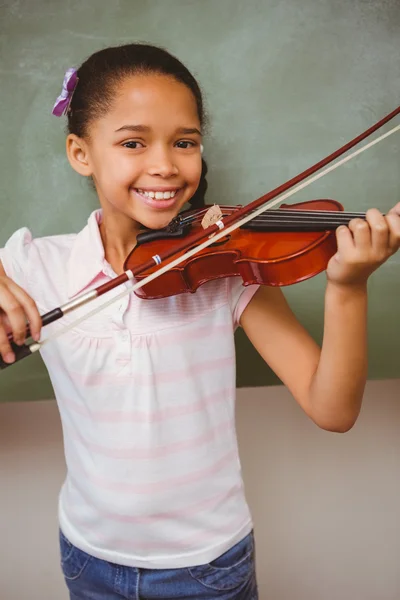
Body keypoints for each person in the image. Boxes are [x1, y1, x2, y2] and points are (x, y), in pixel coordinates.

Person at [0, 43, 399, 600]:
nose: (165, 164)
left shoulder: (228, 269)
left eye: (184, 142)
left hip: (207, 566)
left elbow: (333, 409)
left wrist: (348, 284)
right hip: (88, 554)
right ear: (80, 152)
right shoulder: (36, 265)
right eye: (133, 142)